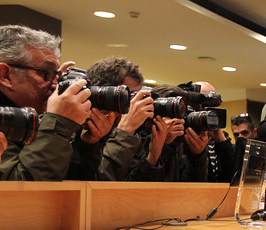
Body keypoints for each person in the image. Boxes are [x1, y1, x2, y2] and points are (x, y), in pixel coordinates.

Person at [0, 25, 92, 180]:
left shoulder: (31, 118)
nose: (56, 85)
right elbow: (23, 193)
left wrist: (88, 143)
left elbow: (72, 186)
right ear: (6, 76)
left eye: (58, 75)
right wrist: (59, 123)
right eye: (46, 73)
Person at [66, 56, 155, 180]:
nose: (135, 104)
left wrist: (155, 155)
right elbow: (98, 185)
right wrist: (124, 132)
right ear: (106, 95)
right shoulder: (73, 128)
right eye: (128, 96)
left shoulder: (136, 131)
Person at [126, 84, 208, 182]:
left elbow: (191, 188)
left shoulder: (179, 140)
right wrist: (160, 148)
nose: (178, 120)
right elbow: (133, 187)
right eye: (173, 112)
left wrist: (197, 156)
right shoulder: (134, 138)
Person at [194, 81, 234, 183]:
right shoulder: (183, 136)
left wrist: (222, 142)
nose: (210, 109)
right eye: (205, 103)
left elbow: (234, 177)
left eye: (214, 104)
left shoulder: (221, 138)